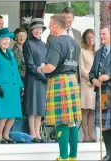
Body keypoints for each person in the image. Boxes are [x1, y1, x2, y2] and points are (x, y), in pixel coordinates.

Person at [37, 14, 81, 160]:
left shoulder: (56, 42)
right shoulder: (74, 42)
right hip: (72, 80)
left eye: (50, 24)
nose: (49, 27)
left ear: (56, 25)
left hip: (59, 81)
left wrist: (41, 68)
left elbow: (51, 66)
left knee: (61, 119)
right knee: (72, 120)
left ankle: (63, 156)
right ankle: (73, 156)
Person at [0, 28, 23, 144]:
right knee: (3, 113)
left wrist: (20, 85)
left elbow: (15, 69)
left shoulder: (10, 52)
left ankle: (6, 135)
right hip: (2, 87)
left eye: (8, 39)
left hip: (13, 87)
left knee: (13, 113)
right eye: (4, 39)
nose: (6, 41)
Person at [22, 18, 47, 143]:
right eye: (35, 29)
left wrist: (46, 74)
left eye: (40, 29)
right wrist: (40, 72)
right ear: (31, 30)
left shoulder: (44, 45)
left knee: (40, 107)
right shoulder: (28, 44)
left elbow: (47, 62)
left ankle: (38, 133)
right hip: (33, 79)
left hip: (43, 79)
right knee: (32, 107)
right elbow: (30, 64)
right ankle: (32, 132)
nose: (38, 31)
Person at [89, 25, 111, 161]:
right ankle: (109, 154)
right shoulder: (97, 53)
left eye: (104, 34)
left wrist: (109, 76)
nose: (101, 36)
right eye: (100, 34)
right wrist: (93, 79)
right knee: (105, 126)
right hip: (103, 92)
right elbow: (92, 72)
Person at [79, 29, 96, 142]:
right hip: (86, 84)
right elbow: (81, 69)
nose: (90, 40)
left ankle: (91, 134)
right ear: (85, 39)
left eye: (92, 37)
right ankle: (85, 135)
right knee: (85, 110)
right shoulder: (82, 51)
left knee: (93, 111)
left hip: (96, 85)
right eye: (88, 38)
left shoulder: (97, 52)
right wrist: (91, 78)